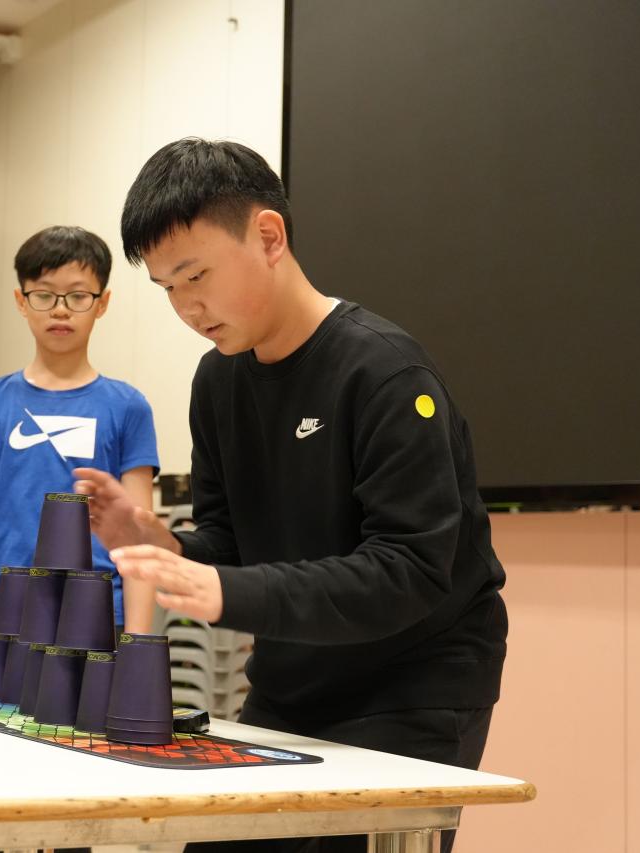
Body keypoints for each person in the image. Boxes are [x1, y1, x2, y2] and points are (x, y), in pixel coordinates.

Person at [75, 139, 507, 853]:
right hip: (289, 681)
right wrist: (167, 545)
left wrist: (222, 589)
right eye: (167, 288)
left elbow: (409, 570)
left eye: (196, 275)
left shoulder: (385, 373)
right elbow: (230, 543)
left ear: (269, 236)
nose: (187, 307)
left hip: (411, 687)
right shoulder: (217, 382)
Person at [0, 226, 161, 664]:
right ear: (21, 301)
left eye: (78, 295)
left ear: (102, 303)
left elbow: (138, 536)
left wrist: (137, 646)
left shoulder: (128, 407)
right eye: (44, 294)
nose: (60, 309)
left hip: (94, 623)